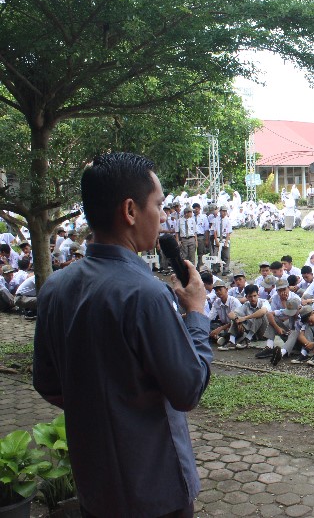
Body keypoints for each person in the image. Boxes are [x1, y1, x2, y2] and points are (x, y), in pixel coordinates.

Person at [33, 153, 212, 517]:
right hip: (155, 490)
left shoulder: (55, 288)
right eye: (159, 205)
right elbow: (188, 389)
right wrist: (196, 312)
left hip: (96, 488)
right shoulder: (145, 294)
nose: (163, 217)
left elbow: (48, 383)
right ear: (130, 211)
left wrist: (105, 409)